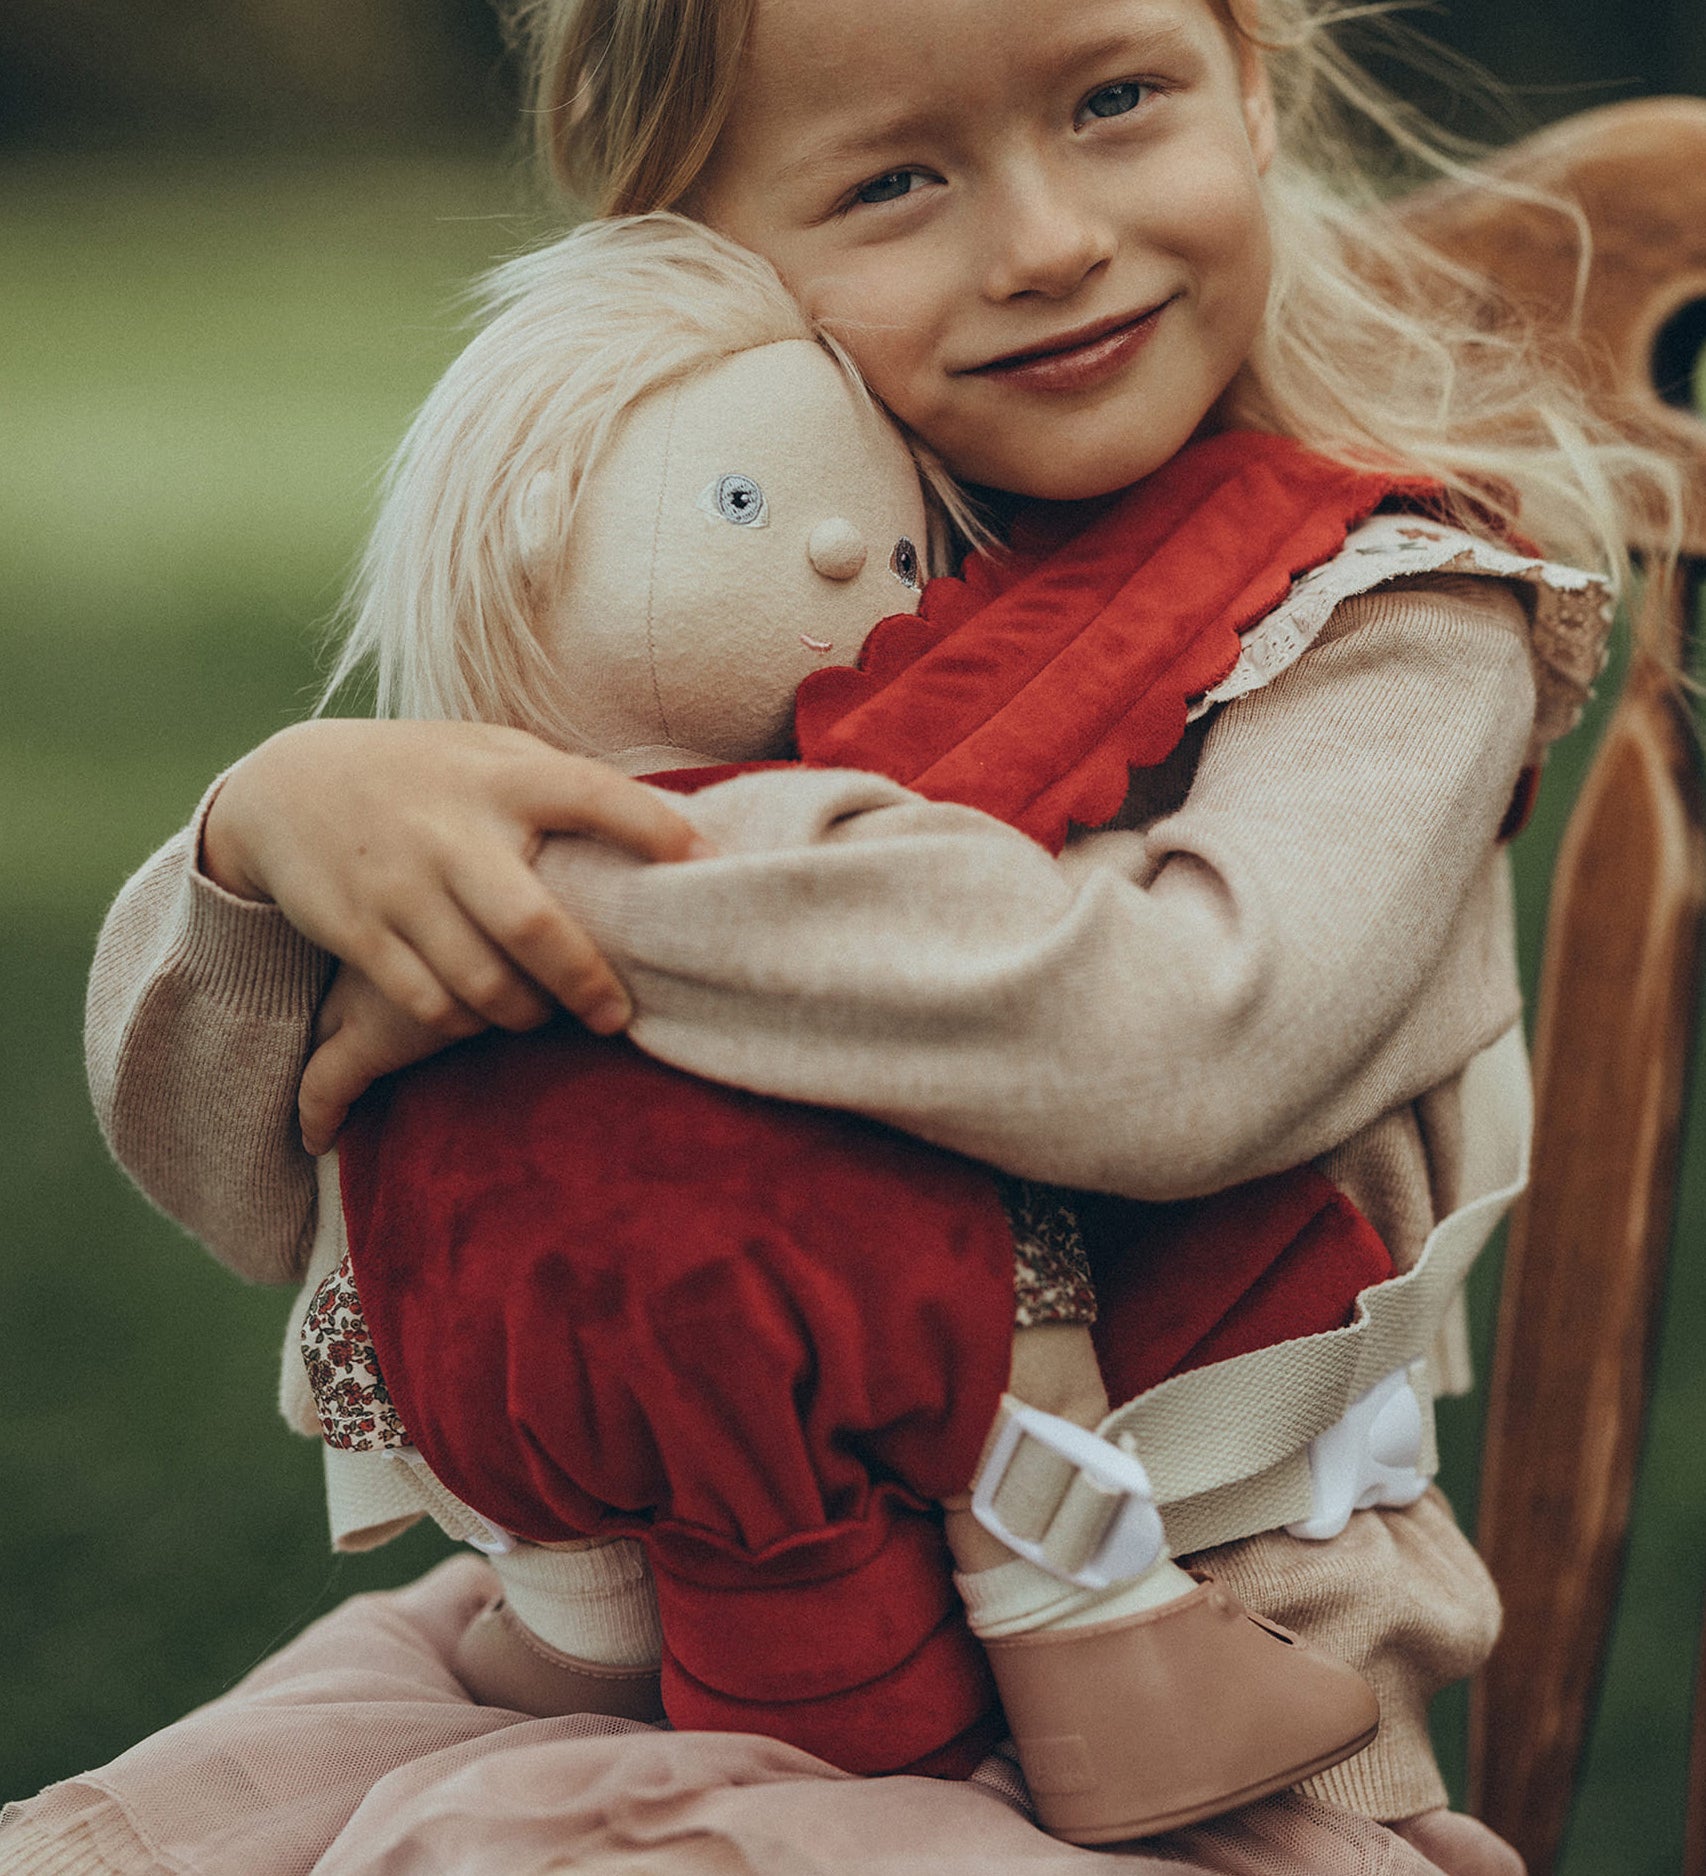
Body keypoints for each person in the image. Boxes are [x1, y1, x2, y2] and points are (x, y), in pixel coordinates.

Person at [68, 0, 1682, 1869]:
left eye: (1114, 101)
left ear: (1249, 78)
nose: (1047, 241)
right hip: (630, 1654)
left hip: (1188, 1714)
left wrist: (575, 883)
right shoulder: (727, 588)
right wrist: (267, 848)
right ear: (689, 251)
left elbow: (1182, 1046)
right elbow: (242, 1175)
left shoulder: (1389, 622)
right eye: (895, 178)